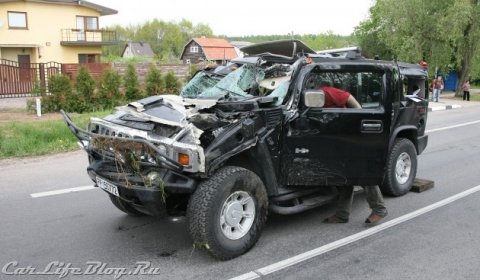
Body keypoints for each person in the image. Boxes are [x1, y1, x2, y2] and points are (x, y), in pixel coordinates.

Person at [319, 85, 388, 226]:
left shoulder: (325, 92)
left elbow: (348, 97)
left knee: (361, 173)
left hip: (350, 136)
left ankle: (379, 209)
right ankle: (342, 214)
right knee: (344, 177)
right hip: (337, 138)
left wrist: (358, 119)